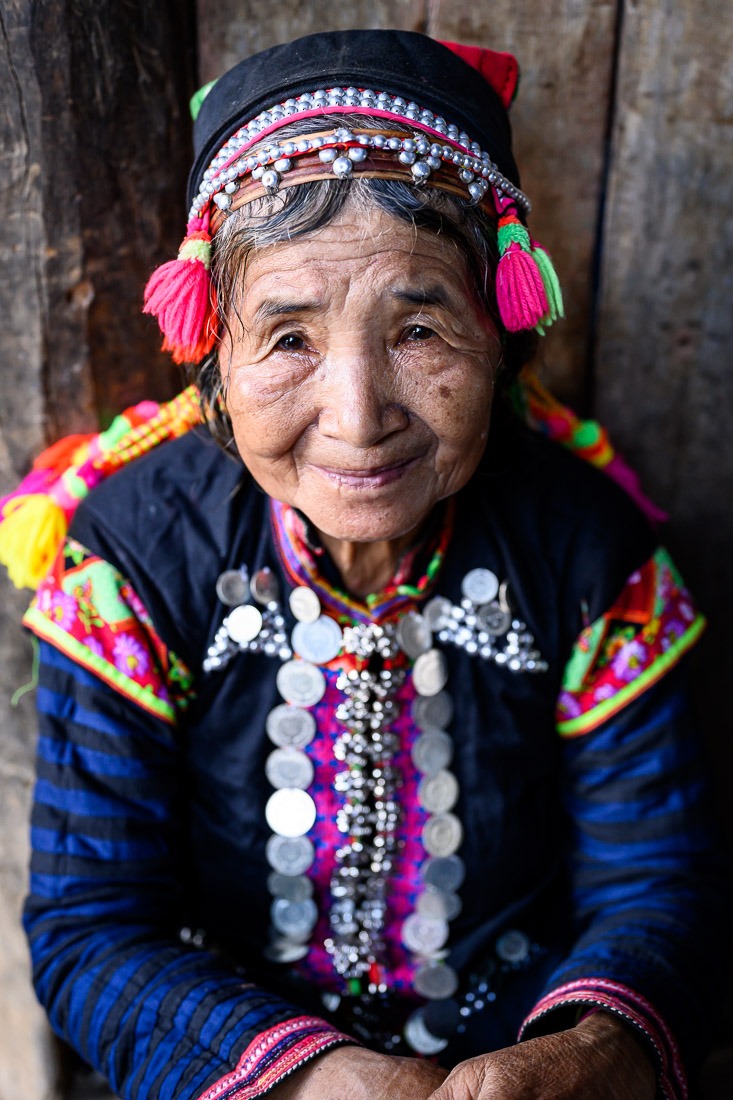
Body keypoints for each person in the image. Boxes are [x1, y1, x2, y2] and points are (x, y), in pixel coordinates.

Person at [1, 28, 725, 1100]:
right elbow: (92, 924)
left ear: (504, 340)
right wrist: (308, 1079)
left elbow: (660, 881)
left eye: (419, 328)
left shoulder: (588, 551)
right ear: (215, 360)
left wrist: (591, 1047)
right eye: (287, 338)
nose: (357, 419)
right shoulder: (133, 555)